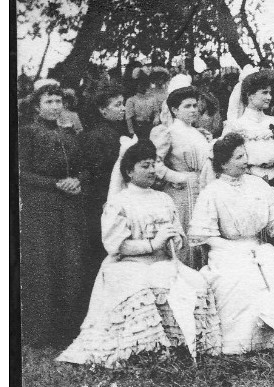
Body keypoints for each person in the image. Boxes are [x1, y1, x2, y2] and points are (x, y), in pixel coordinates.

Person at [56, 141, 221, 367]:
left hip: (162, 261)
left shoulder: (164, 198)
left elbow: (179, 235)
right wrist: (153, 243)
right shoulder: (119, 202)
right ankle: (146, 348)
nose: (152, 170)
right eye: (145, 166)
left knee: (195, 281)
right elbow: (116, 246)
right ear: (129, 171)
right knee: (140, 287)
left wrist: (175, 238)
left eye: (154, 165)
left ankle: (184, 343)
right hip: (128, 262)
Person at [188, 133, 274, 355]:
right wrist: (235, 249)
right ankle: (244, 341)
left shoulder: (257, 185)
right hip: (226, 251)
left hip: (258, 247)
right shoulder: (212, 192)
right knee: (242, 281)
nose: (245, 161)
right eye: (238, 157)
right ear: (223, 163)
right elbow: (204, 236)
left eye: (245, 155)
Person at [19, 83, 90, 348]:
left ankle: (67, 330)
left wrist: (77, 180)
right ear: (37, 106)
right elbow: (19, 171)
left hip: (70, 208)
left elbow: (86, 168)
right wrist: (54, 184)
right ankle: (39, 334)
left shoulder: (70, 134)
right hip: (41, 208)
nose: (55, 106)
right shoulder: (26, 133)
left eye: (59, 101)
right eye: (49, 101)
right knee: (42, 267)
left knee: (70, 265)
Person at [149, 86, 214, 269]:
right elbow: (154, 162)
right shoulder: (167, 132)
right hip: (180, 193)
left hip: (201, 188)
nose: (193, 110)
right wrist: (176, 177)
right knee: (183, 235)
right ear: (175, 110)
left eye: (195, 105)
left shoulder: (199, 133)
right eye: (187, 106)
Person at [222, 71, 274, 200]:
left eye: (270, 93)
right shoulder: (237, 126)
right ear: (250, 95)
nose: (269, 97)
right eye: (264, 93)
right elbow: (228, 161)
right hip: (248, 185)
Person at [80, 87, 129, 278]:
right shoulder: (98, 136)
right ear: (102, 110)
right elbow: (98, 172)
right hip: (102, 198)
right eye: (118, 105)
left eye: (123, 104)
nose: (123, 108)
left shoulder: (115, 131)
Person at [125, 72, 164, 139]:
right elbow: (129, 118)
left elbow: (156, 112)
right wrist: (132, 133)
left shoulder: (152, 98)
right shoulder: (131, 100)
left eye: (144, 84)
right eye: (139, 84)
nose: (142, 87)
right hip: (138, 129)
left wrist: (156, 118)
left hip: (151, 127)